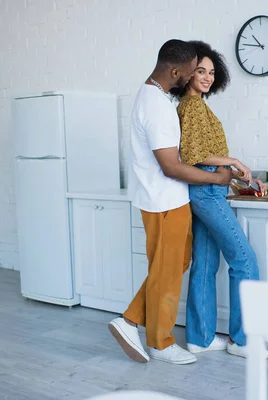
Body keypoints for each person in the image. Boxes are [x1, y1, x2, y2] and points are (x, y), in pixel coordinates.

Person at [108, 39, 233, 365]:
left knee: (171, 266)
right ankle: (160, 343)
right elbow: (172, 165)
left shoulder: (153, 97)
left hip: (161, 198)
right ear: (175, 71)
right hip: (163, 199)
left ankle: (131, 320)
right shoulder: (158, 107)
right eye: (192, 71)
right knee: (167, 269)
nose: (194, 77)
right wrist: (217, 178)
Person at [171, 40, 268, 358]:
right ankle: (243, 341)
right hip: (207, 192)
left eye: (212, 72)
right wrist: (236, 163)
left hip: (206, 190)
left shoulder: (196, 106)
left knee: (206, 263)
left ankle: (199, 338)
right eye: (201, 70)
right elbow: (194, 154)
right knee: (245, 261)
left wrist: (239, 174)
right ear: (187, 73)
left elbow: (204, 156)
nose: (207, 77)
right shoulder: (191, 105)